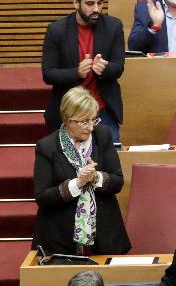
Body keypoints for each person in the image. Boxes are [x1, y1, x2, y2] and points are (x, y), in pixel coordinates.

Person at [33, 87, 130, 256]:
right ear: (68, 120)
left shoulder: (103, 135)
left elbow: (118, 181)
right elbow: (42, 197)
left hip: (104, 233)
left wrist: (96, 177)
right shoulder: (47, 147)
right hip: (60, 238)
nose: (91, 127)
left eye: (93, 120)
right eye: (84, 121)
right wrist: (77, 183)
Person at [42, 0, 125, 144]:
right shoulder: (56, 30)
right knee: (68, 166)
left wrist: (105, 68)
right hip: (69, 111)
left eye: (100, 3)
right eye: (90, 4)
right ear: (76, 3)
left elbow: (119, 67)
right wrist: (76, 72)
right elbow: (48, 74)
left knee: (111, 162)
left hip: (103, 109)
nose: (96, 9)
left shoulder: (113, 26)